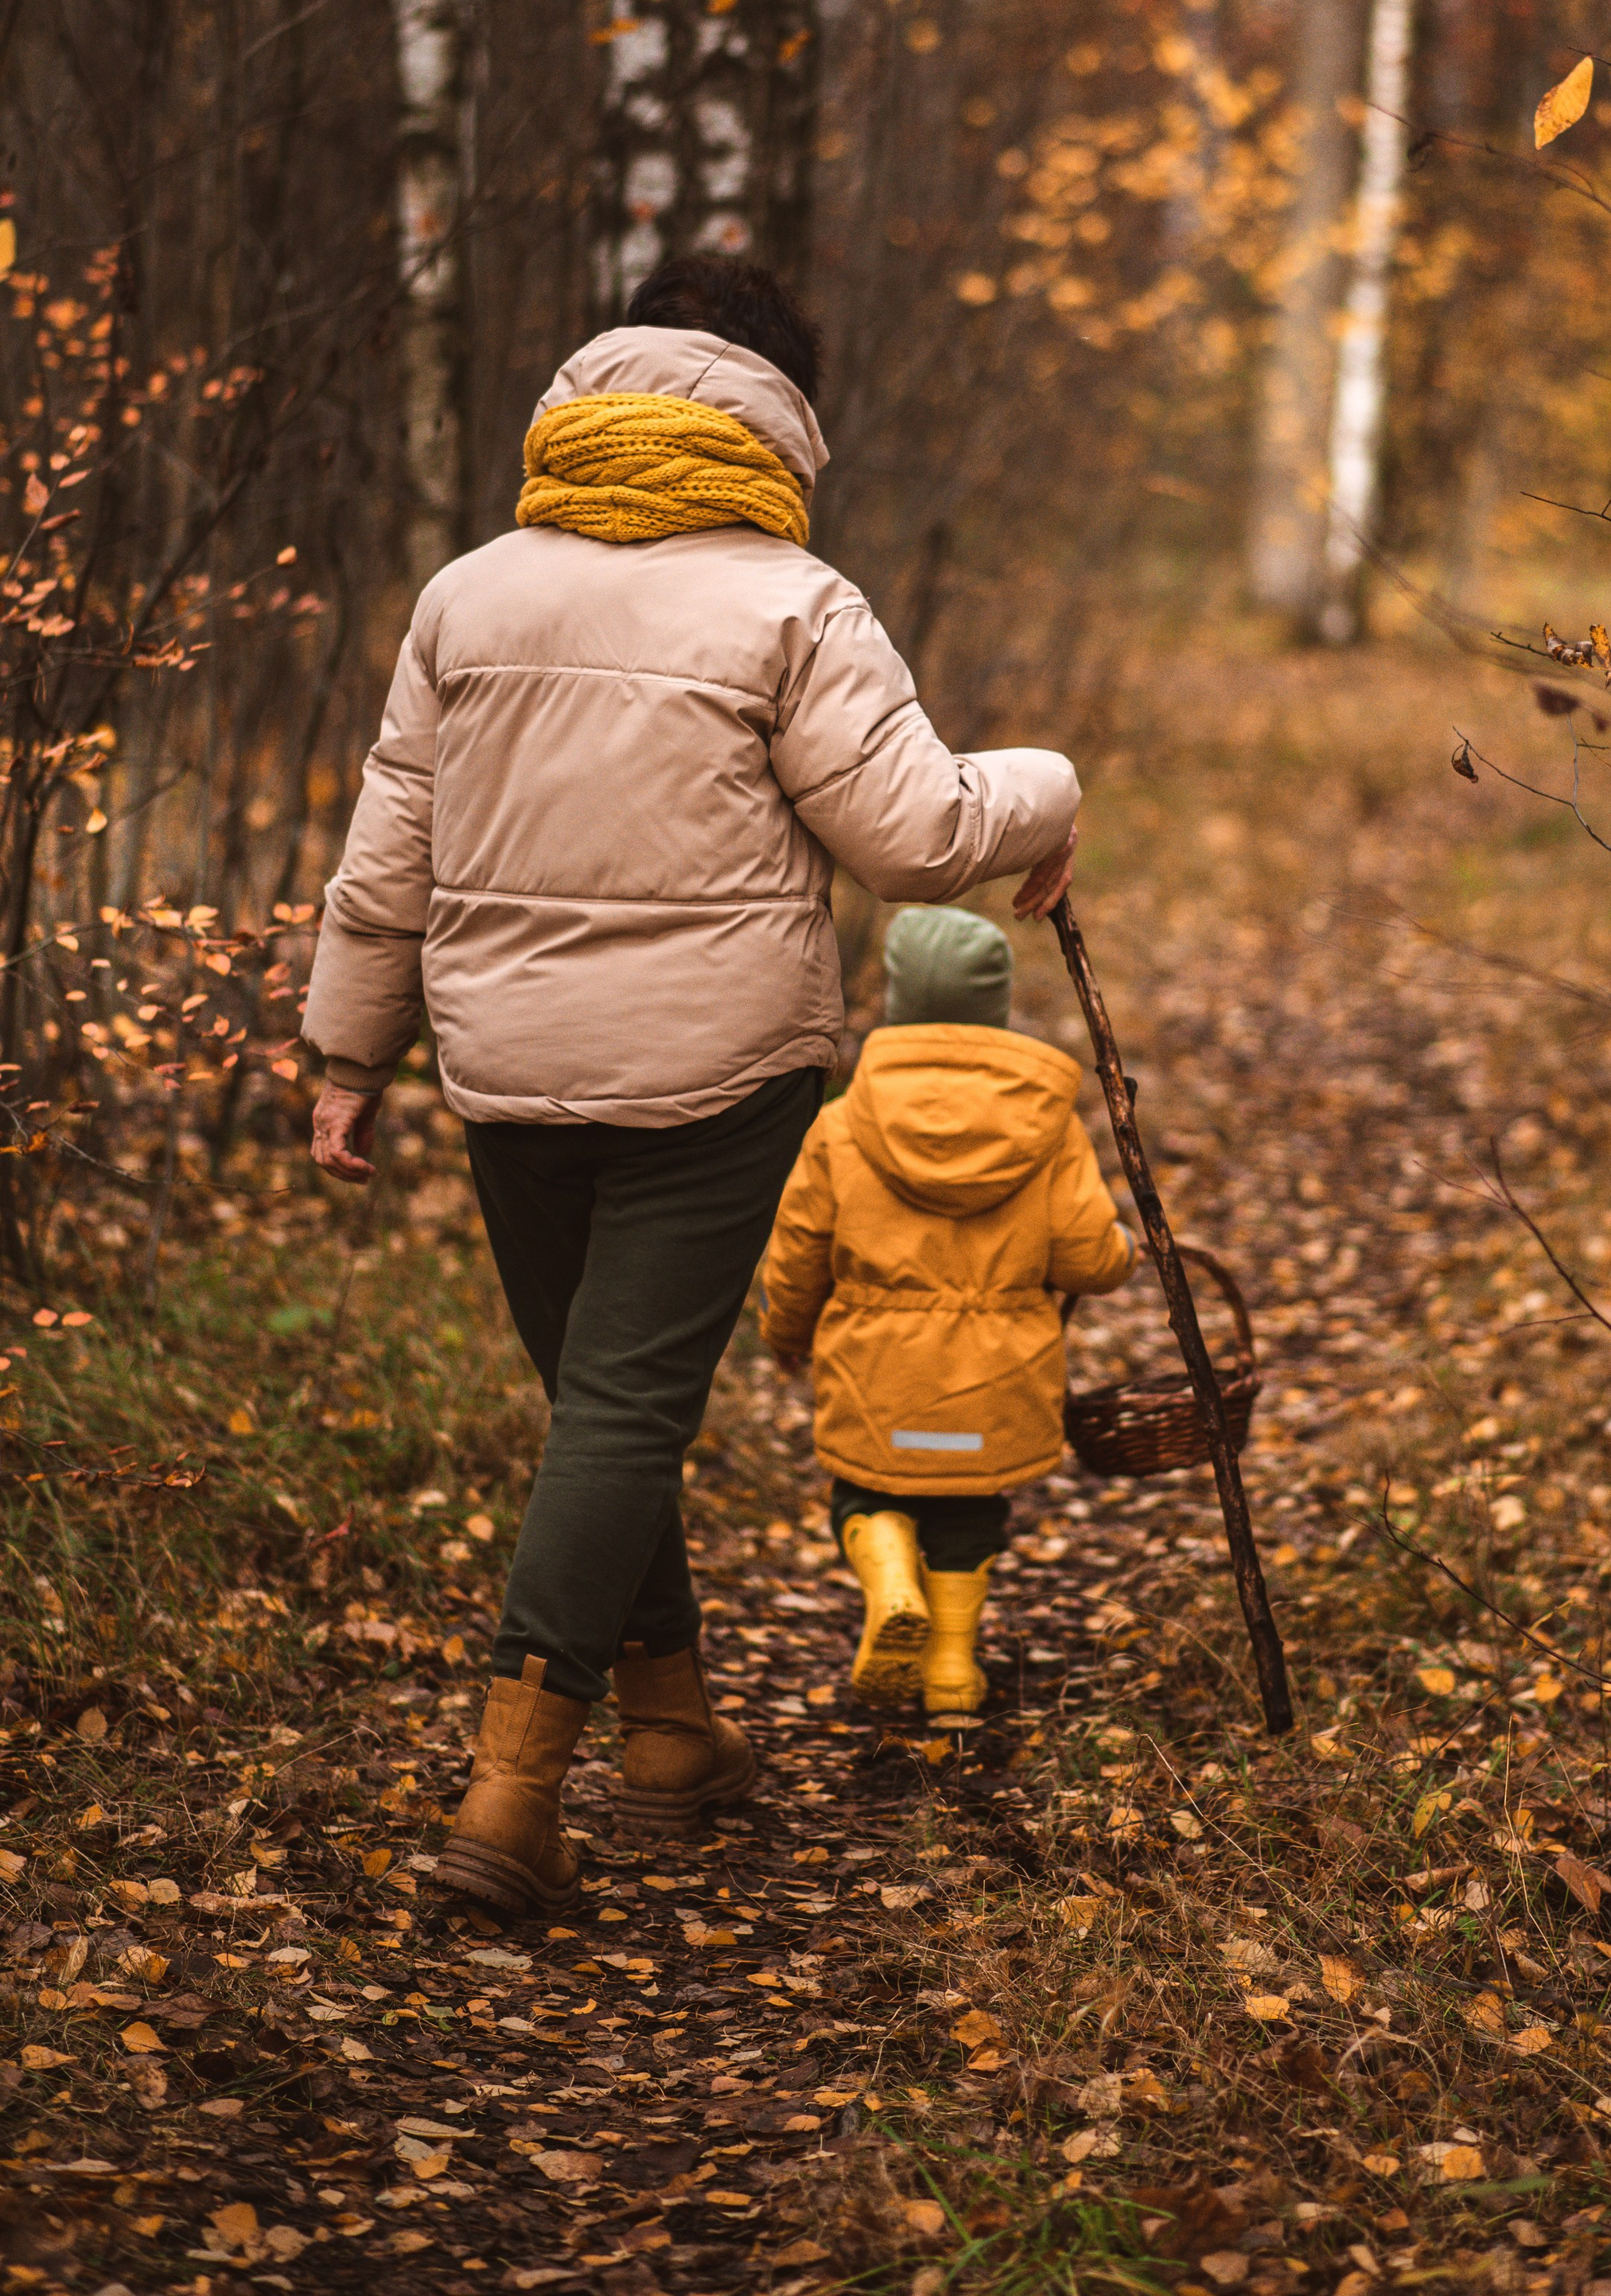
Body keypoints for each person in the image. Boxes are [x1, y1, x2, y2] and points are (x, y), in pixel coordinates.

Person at [302, 263, 1079, 1917]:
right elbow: (918, 840)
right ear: (779, 416)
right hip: (717, 1079)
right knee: (621, 1410)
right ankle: (507, 1804)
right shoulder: (790, 602)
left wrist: (346, 1054)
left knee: (603, 1403)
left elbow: (391, 850)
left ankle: (669, 1742)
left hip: (501, 1072)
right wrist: (1052, 789)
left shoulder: (468, 595)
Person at [757, 904, 1132, 1715]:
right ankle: (954, 1672)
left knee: (868, 1489)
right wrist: (1124, 1249)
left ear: (897, 1002)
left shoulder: (840, 1125)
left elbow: (797, 1251)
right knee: (970, 1507)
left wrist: (784, 1334)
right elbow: (1087, 1259)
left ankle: (891, 1581)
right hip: (995, 1384)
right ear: (991, 1007)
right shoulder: (1047, 1124)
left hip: (877, 1379)